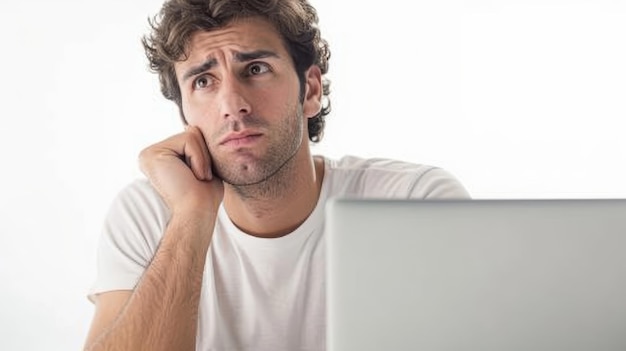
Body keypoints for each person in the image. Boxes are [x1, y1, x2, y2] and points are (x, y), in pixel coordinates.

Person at [83, 0, 470, 350]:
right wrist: (191, 215)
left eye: (255, 69)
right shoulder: (147, 215)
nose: (232, 105)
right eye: (203, 81)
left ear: (311, 90)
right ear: (184, 114)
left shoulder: (414, 203)